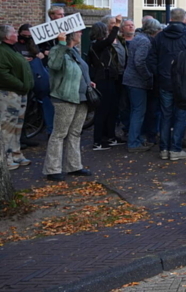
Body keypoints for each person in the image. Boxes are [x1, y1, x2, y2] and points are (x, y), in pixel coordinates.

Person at [42, 30, 93, 181]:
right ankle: (52, 169)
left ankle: (74, 166)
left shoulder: (75, 52)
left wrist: (88, 83)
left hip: (81, 97)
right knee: (59, 133)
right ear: (71, 35)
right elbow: (54, 66)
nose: (81, 34)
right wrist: (61, 43)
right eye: (78, 32)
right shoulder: (58, 51)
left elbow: (81, 70)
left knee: (75, 132)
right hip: (65, 97)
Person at [147, 8, 186, 160]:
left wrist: (159, 74)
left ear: (171, 19)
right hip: (182, 83)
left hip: (165, 81)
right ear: (184, 19)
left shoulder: (160, 37)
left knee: (166, 116)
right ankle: (175, 149)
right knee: (180, 116)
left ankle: (164, 149)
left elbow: (151, 59)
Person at [87, 15, 127, 150]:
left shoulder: (100, 45)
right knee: (102, 110)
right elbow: (109, 40)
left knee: (111, 109)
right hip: (102, 80)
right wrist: (117, 25)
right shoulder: (97, 45)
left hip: (109, 79)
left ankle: (110, 137)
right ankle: (97, 141)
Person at [123, 18, 161, 152]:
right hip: (137, 82)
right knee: (138, 112)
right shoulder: (145, 42)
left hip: (130, 80)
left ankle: (136, 139)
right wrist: (148, 77)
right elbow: (139, 62)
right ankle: (134, 143)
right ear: (155, 31)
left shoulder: (138, 38)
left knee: (135, 111)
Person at [1, 24, 34, 171]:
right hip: (10, 93)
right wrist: (20, 85)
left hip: (20, 93)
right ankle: (5, 158)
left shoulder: (12, 50)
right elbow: (3, 73)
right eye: (14, 32)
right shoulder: (3, 51)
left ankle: (16, 152)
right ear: (7, 36)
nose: (16, 34)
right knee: (7, 126)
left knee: (17, 125)